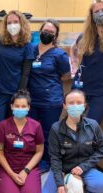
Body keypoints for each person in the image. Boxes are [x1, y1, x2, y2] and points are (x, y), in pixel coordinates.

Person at [41, 89, 103, 193]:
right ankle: (68, 191)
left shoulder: (93, 125)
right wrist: (59, 184)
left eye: (79, 102)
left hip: (84, 170)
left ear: (84, 105)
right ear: (64, 105)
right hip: (62, 170)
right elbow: (55, 158)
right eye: (71, 103)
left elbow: (102, 147)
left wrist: (84, 166)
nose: (75, 106)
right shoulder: (56, 128)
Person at [28, 19, 71, 173]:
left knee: (47, 132)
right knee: (31, 131)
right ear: (40, 31)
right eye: (45, 30)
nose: (47, 33)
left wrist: (50, 82)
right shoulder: (31, 49)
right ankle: (32, 159)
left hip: (51, 101)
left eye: (51, 32)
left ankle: (46, 161)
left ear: (55, 36)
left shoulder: (59, 55)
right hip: (31, 100)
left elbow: (66, 75)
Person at [0, 90, 44, 193]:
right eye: (17, 106)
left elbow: (39, 151)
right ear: (11, 107)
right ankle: (11, 187)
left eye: (23, 106)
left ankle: (22, 188)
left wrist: (26, 171)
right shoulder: (3, 125)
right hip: (7, 167)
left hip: (28, 166)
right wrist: (11, 174)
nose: (20, 109)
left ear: (29, 108)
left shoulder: (36, 126)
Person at [0, 10, 34, 133]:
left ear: (22, 23)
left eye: (15, 22)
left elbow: (26, 72)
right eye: (9, 22)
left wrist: (20, 95)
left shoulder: (27, 46)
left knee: (15, 128)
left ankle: (12, 152)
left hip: (16, 92)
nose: (12, 25)